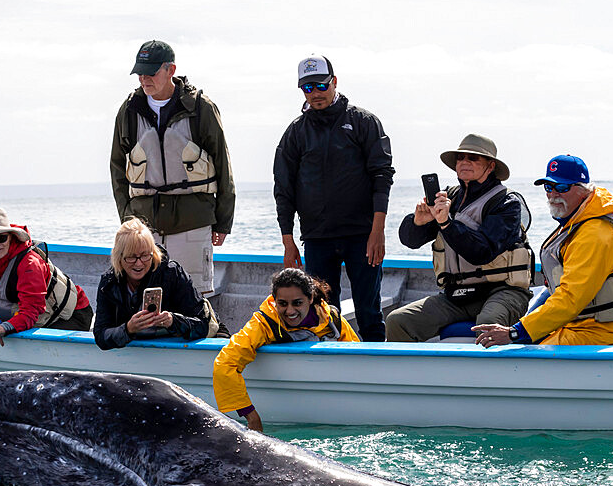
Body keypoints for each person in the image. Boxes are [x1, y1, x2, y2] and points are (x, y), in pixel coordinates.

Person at [274, 55, 395, 341]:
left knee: (369, 311)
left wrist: (377, 231)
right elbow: (284, 189)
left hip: (362, 235)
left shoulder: (363, 122)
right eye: (307, 88)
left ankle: (375, 374)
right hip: (317, 238)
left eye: (320, 86)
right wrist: (288, 242)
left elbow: (382, 175)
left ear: (334, 82)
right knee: (323, 314)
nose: (315, 93)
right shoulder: (295, 132)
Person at [474, 155, 613, 347]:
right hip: (583, 324)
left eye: (562, 188)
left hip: (612, 332)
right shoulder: (575, 222)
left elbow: (570, 298)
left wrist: (515, 333)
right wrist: (522, 326)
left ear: (583, 190)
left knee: (523, 355)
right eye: (548, 187)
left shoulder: (595, 234)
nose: (553, 194)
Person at [109, 39, 236, 296]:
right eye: (140, 73)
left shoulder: (202, 109)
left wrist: (223, 222)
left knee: (195, 297)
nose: (144, 79)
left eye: (151, 72)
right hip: (145, 225)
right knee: (146, 295)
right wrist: (127, 219)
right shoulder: (128, 111)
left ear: (171, 70)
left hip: (193, 221)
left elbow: (223, 166)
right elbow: (116, 167)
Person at [386, 134, 533, 342]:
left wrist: (446, 223)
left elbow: (482, 252)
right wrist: (418, 222)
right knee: (397, 321)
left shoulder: (507, 203)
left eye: (473, 158)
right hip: (456, 295)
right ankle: (412, 374)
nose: (464, 162)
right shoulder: (448, 198)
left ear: (490, 166)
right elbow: (410, 241)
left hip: (502, 292)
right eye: (460, 158)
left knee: (488, 326)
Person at [213, 268, 360, 432]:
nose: (290, 311)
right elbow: (225, 363)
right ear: (274, 300)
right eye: (282, 304)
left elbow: (358, 358)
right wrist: (251, 415)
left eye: (297, 303)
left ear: (310, 298)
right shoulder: (262, 323)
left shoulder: (332, 319)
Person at [0, 207, 93, 361]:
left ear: (11, 236)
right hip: (28, 316)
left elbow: (31, 312)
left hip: (69, 316)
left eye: (2, 238)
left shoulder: (29, 263)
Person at [94, 218, 227, 349]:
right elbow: (100, 336)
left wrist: (173, 321)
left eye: (145, 255)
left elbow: (202, 325)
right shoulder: (109, 282)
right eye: (131, 257)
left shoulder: (171, 273)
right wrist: (128, 329)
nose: (139, 263)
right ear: (119, 257)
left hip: (186, 341)